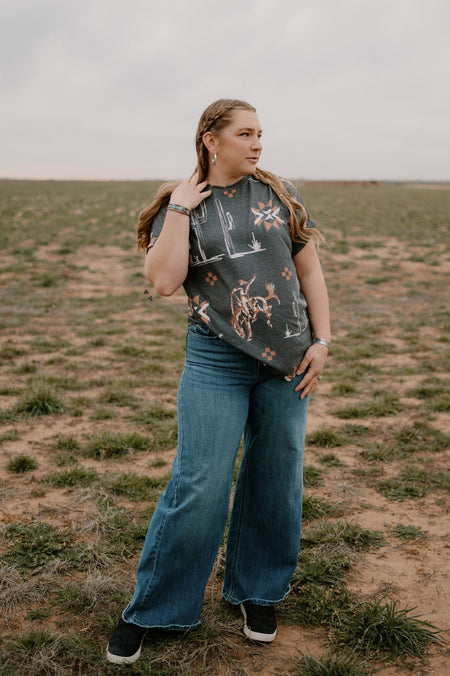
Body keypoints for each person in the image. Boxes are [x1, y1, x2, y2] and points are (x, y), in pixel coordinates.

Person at [106, 98, 330, 665]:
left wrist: (323, 341)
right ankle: (154, 609)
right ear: (211, 139)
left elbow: (309, 270)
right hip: (217, 361)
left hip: (287, 362)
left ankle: (257, 592)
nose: (257, 144)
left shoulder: (281, 193)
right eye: (245, 134)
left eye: (261, 134)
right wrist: (179, 209)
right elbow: (163, 282)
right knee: (200, 483)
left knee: (277, 477)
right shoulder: (181, 202)